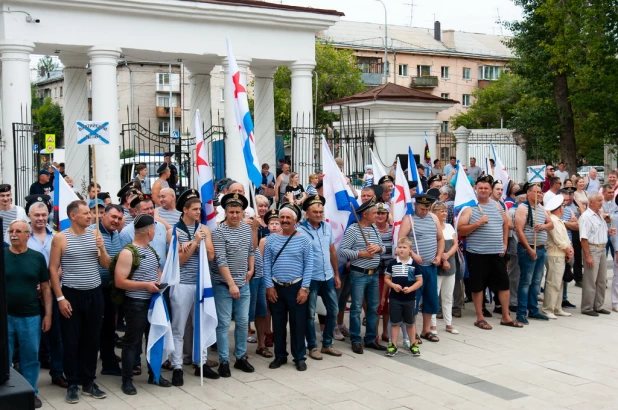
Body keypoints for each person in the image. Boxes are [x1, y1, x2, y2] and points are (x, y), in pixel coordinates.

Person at [49, 200, 110, 404]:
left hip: (94, 293)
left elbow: (105, 264)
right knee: (71, 340)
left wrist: (102, 248)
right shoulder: (60, 238)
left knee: (92, 340)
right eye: (85, 213)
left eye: (90, 213)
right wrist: (60, 298)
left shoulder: (95, 235)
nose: (90, 216)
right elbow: (53, 269)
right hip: (71, 294)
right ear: (73, 216)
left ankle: (89, 381)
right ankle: (72, 382)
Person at [115, 214, 171, 395]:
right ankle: (127, 380)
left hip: (153, 302)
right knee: (132, 342)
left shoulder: (151, 250)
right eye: (154, 229)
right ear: (149, 231)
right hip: (136, 303)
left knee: (154, 339)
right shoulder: (128, 252)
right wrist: (146, 285)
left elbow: (157, 271)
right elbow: (120, 282)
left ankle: (154, 374)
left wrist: (159, 281)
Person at [458, 175, 522, 330]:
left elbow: (506, 223)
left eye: (486, 188)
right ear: (475, 189)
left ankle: (506, 317)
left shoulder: (497, 206)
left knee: (503, 285)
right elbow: (460, 229)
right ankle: (479, 317)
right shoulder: (469, 208)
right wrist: (478, 223)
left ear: (490, 190)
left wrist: (505, 243)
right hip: (477, 254)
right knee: (478, 286)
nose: (483, 190)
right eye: (480, 188)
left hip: (497, 253)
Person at [169, 189, 218, 386]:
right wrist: (195, 243)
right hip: (182, 283)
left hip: (201, 283)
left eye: (199, 209)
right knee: (179, 327)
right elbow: (178, 261)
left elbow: (211, 255)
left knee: (202, 323)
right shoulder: (175, 230)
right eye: (195, 209)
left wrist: (195, 245)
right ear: (185, 210)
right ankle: (177, 366)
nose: (199, 212)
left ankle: (201, 362)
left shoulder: (204, 228)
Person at [6, 220, 51, 409]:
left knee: (31, 357)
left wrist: (48, 314)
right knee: (4, 358)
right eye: (11, 231)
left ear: (27, 235)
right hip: (5, 317)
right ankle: (6, 393)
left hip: (30, 316)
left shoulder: (37, 257)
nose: (14, 234)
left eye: (18, 231)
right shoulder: (2, 255)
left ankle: (30, 392)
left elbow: (46, 287)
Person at [264, 204, 314, 371]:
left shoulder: (304, 239)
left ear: (295, 220)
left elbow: (309, 265)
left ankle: (299, 357)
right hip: (276, 286)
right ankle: (280, 356)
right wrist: (269, 286)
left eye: (288, 218)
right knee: (278, 323)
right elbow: (266, 264)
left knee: (298, 323)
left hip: (297, 287)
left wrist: (305, 288)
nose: (284, 220)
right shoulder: (271, 239)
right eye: (282, 217)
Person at [211, 193, 256, 376]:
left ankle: (240, 357)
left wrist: (251, 269)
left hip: (243, 283)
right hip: (224, 284)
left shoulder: (246, 229)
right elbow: (220, 260)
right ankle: (223, 360)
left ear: (242, 212)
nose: (235, 215)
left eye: (238, 212)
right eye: (231, 212)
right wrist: (231, 284)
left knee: (243, 321)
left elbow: (251, 250)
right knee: (223, 324)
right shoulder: (218, 232)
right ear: (225, 212)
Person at [25, 196, 68, 389]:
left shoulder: (57, 236)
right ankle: (27, 378)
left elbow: (62, 264)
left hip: (54, 291)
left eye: (44, 214)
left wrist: (49, 285)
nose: (41, 218)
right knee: (31, 337)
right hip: (30, 295)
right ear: (29, 216)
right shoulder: (21, 235)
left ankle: (57, 373)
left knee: (56, 335)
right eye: (37, 215)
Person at [339, 196, 387, 354]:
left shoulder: (374, 229)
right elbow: (343, 250)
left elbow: (383, 248)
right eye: (374, 213)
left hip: (374, 274)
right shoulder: (353, 229)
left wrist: (378, 249)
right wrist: (361, 254)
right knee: (356, 308)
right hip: (359, 274)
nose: (377, 215)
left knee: (373, 308)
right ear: (365, 214)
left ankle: (371, 339)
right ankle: (355, 339)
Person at [299, 195, 342, 360]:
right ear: (307, 213)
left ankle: (327, 344)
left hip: (327, 276)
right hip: (310, 278)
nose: (319, 214)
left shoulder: (327, 227)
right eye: (315, 212)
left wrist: (336, 273)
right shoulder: (301, 231)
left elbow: (331, 250)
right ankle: (312, 346)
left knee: (334, 310)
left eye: (321, 212)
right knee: (309, 314)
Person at [398, 194, 445, 341]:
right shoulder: (409, 219)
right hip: (414, 267)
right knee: (414, 299)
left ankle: (426, 330)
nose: (424, 211)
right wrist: (412, 254)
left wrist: (439, 255)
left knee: (431, 299)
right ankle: (414, 332)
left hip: (431, 266)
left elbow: (440, 238)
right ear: (416, 205)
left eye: (427, 208)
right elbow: (401, 241)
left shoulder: (434, 218)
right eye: (421, 208)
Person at [514, 182, 554, 324]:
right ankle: (521, 313)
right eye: (536, 192)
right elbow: (519, 230)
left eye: (540, 192)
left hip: (541, 248)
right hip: (528, 249)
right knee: (526, 282)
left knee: (536, 282)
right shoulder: (522, 208)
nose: (539, 194)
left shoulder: (542, 208)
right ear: (529, 193)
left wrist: (543, 226)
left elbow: (551, 224)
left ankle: (534, 310)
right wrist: (529, 249)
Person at [96, 204, 124, 377]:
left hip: (111, 288)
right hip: (94, 288)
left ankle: (108, 362)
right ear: (103, 215)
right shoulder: (94, 232)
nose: (116, 221)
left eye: (119, 219)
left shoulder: (116, 235)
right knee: (94, 328)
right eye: (113, 217)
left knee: (108, 328)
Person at [384, 237, 423, 358]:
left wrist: (410, 289)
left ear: (410, 249)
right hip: (395, 298)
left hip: (410, 299)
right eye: (399, 247)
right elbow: (386, 278)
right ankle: (393, 344)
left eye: (404, 247)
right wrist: (393, 285)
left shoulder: (414, 264)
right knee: (395, 322)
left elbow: (419, 281)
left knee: (410, 323)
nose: (401, 249)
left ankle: (413, 344)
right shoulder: (392, 263)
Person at [579, 192, 614, 316]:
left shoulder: (599, 214)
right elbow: (583, 238)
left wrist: (609, 232)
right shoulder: (586, 217)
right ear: (592, 202)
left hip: (602, 248)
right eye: (599, 200)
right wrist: (587, 255)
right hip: (592, 249)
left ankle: (598, 305)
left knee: (601, 280)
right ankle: (587, 307)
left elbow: (599, 231)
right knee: (590, 279)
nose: (602, 203)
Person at [542, 195, 574, 319]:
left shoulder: (558, 221)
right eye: (562, 206)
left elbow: (565, 238)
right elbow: (559, 240)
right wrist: (568, 251)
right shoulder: (553, 221)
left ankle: (557, 307)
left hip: (561, 254)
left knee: (559, 283)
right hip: (555, 254)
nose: (564, 209)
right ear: (559, 208)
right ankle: (548, 308)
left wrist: (569, 250)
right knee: (553, 283)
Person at [430, 201, 459, 334]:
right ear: (434, 212)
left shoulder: (449, 227)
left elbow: (455, 244)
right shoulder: (432, 227)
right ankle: (433, 325)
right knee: (434, 295)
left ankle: (448, 323)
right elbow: (435, 246)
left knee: (447, 296)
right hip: (437, 264)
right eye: (441, 211)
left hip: (450, 263)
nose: (444, 213)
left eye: (445, 211)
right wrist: (442, 257)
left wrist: (447, 255)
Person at [119, 193, 168, 269]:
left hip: (162, 276)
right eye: (146, 209)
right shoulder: (126, 232)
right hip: (140, 278)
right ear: (135, 211)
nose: (150, 211)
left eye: (152, 208)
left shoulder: (161, 227)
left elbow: (166, 252)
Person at [255, 210, 280, 359]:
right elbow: (261, 260)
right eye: (272, 223)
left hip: (281, 278)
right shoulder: (264, 240)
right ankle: (267, 332)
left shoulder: (285, 238)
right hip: (268, 278)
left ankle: (278, 331)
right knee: (267, 308)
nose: (275, 226)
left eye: (277, 223)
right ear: (267, 225)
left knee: (278, 308)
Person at [560, 187, 579, 309]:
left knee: (567, 273)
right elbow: (555, 225)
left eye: (567, 200)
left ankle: (564, 298)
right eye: (564, 200)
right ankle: (555, 299)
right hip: (560, 246)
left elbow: (576, 226)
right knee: (556, 276)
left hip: (570, 245)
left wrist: (564, 223)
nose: (566, 202)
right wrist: (568, 224)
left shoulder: (569, 210)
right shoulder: (551, 210)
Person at [601, 184, 616, 259]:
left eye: (612, 192)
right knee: (603, 257)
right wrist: (612, 216)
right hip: (604, 232)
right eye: (609, 192)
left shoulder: (616, 202)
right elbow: (602, 216)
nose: (612, 194)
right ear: (603, 193)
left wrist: (607, 215)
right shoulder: (600, 203)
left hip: (615, 233)